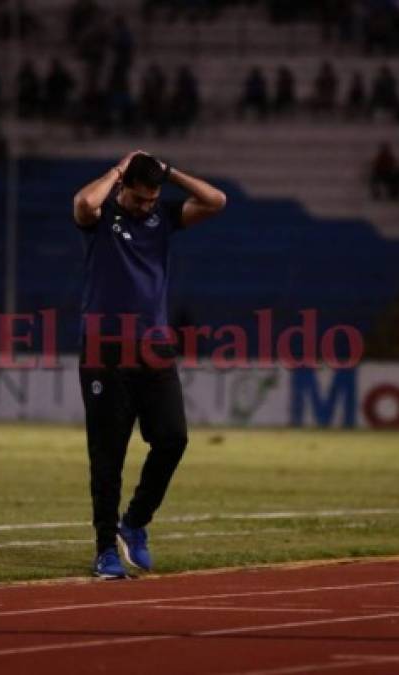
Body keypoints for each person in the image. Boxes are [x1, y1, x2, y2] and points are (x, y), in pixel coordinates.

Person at [72, 151, 226, 578]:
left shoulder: (164, 216)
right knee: (107, 455)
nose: (146, 207)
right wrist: (120, 168)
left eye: (152, 199)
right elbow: (84, 203)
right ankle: (105, 549)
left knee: (173, 439)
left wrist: (170, 172)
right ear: (123, 188)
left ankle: (135, 521)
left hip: (153, 349)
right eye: (139, 199)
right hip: (104, 351)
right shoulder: (100, 218)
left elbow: (217, 201)